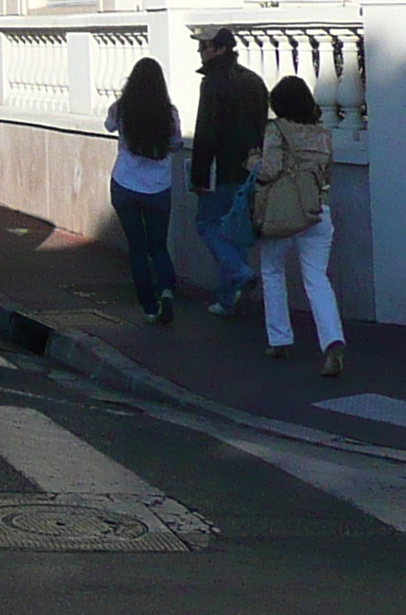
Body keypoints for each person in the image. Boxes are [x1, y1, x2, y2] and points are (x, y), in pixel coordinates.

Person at [251, 74, 345, 376]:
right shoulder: (323, 135)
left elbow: (269, 171)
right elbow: (327, 175)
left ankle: (279, 338)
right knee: (317, 279)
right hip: (316, 211)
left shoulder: (276, 130)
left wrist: (250, 161)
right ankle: (332, 342)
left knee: (273, 271)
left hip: (281, 213)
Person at [188, 30, 271, 317]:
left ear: (220, 49)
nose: (200, 51)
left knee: (207, 223)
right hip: (249, 168)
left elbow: (206, 132)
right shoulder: (254, 81)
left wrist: (198, 176)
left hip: (220, 169)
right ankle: (227, 297)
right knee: (235, 230)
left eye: (204, 46)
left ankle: (238, 273)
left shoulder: (212, 84)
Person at [102, 55, 181, 325]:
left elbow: (109, 126)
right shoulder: (169, 113)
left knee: (137, 248)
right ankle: (168, 292)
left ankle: (149, 308)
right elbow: (177, 143)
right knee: (159, 246)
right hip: (158, 187)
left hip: (125, 183)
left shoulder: (121, 109)